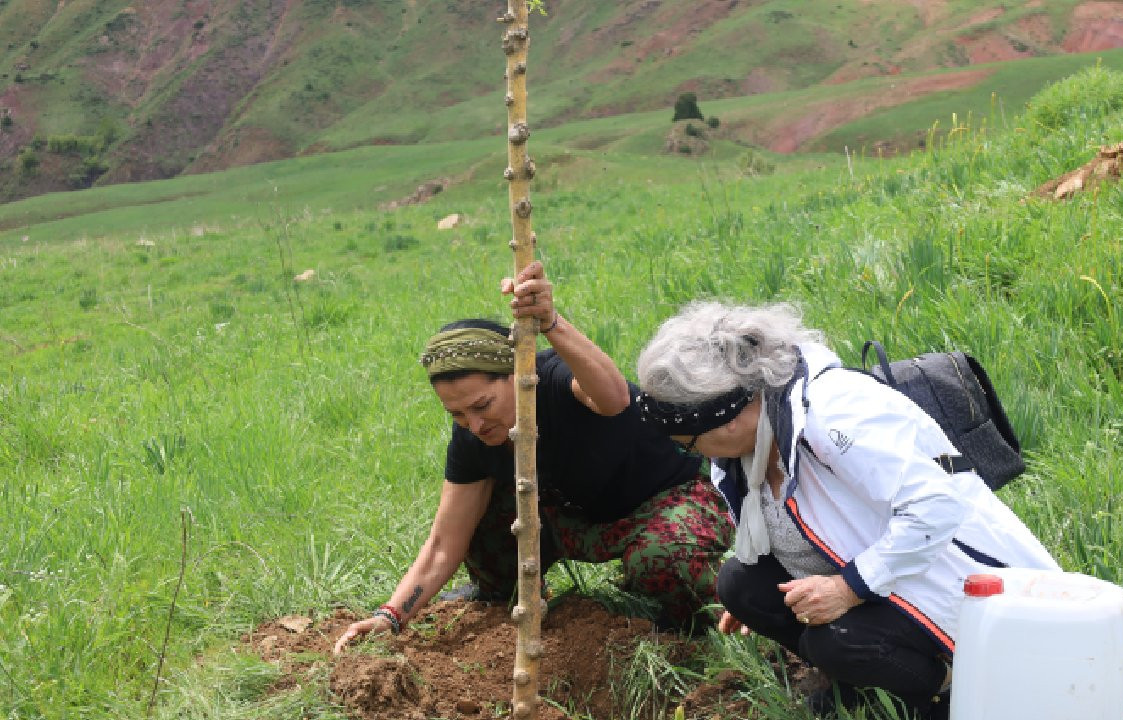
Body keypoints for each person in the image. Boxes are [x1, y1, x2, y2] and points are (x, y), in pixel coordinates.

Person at [633, 302, 1059, 719]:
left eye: (686, 441)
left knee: (835, 643)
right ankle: (873, 682)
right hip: (883, 574)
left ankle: (947, 687)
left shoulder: (837, 413)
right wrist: (761, 600)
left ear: (723, 420)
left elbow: (936, 506)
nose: (688, 452)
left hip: (953, 580)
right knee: (741, 584)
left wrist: (848, 589)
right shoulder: (749, 443)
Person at [333, 262, 732, 654]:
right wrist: (390, 616)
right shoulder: (475, 438)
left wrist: (552, 323)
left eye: (482, 405)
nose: (472, 424)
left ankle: (689, 622)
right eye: (456, 414)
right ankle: (500, 596)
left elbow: (615, 399)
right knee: (479, 515)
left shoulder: (557, 381)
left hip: (665, 500)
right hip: (573, 517)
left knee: (662, 556)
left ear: (513, 374)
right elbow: (443, 542)